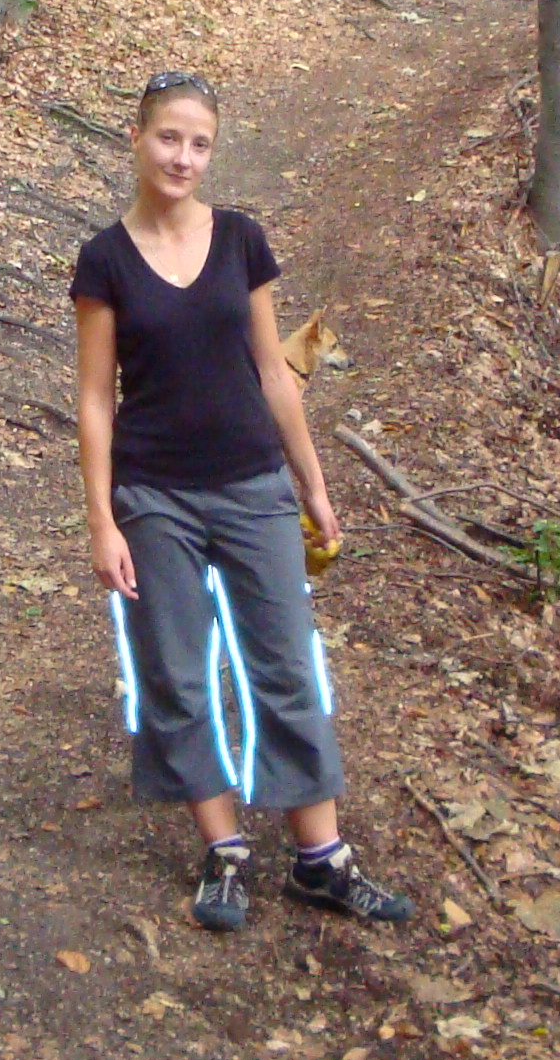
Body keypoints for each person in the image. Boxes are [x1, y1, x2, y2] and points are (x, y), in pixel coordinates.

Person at [72, 71, 414, 934]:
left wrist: (313, 483)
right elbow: (96, 399)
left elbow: (273, 370)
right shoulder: (104, 260)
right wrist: (102, 519)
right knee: (176, 672)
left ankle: (320, 860)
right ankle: (223, 850)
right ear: (136, 139)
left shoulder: (240, 241)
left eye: (200, 144)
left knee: (288, 667)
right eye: (168, 138)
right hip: (154, 496)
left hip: (254, 486)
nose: (182, 157)